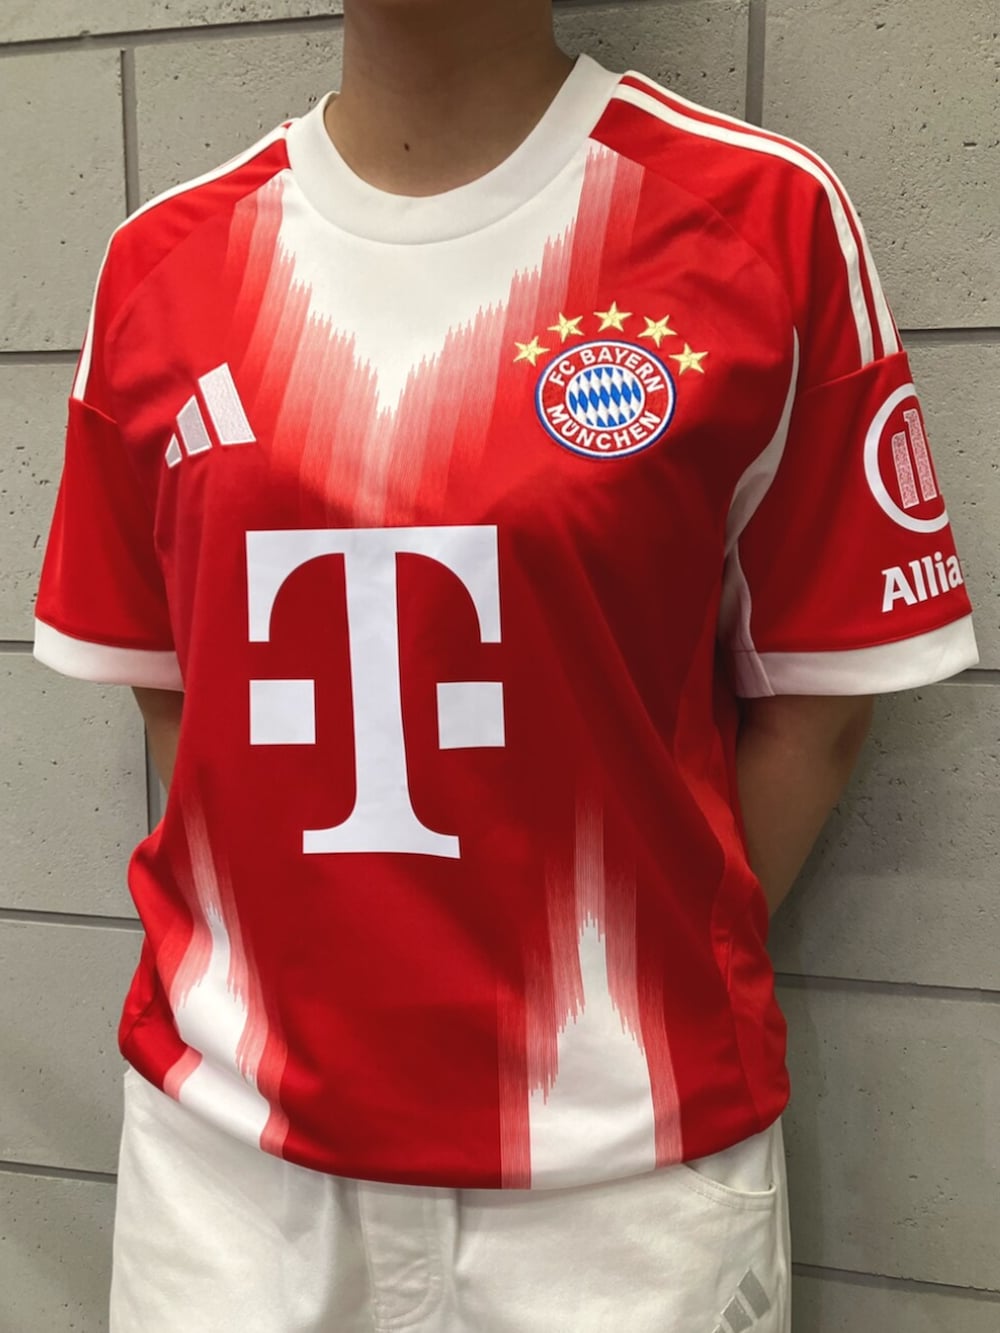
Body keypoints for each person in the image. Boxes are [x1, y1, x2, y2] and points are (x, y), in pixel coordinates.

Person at [32, 1, 978, 1329]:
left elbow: (818, 711)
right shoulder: (162, 262)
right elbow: (179, 694)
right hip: (231, 1177)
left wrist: (608, 988)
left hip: (621, 1188)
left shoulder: (759, 220)